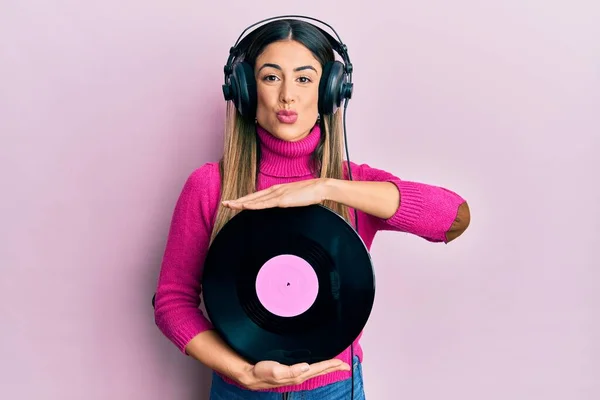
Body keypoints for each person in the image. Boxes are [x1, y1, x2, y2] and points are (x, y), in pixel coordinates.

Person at [153, 16, 471, 400]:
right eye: (271, 77)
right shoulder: (208, 186)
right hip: (240, 391)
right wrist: (243, 373)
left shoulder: (354, 184)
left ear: (329, 93)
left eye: (304, 79)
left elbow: (454, 218)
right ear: (246, 91)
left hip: (336, 390)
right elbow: (172, 301)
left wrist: (326, 187)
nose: (288, 95)